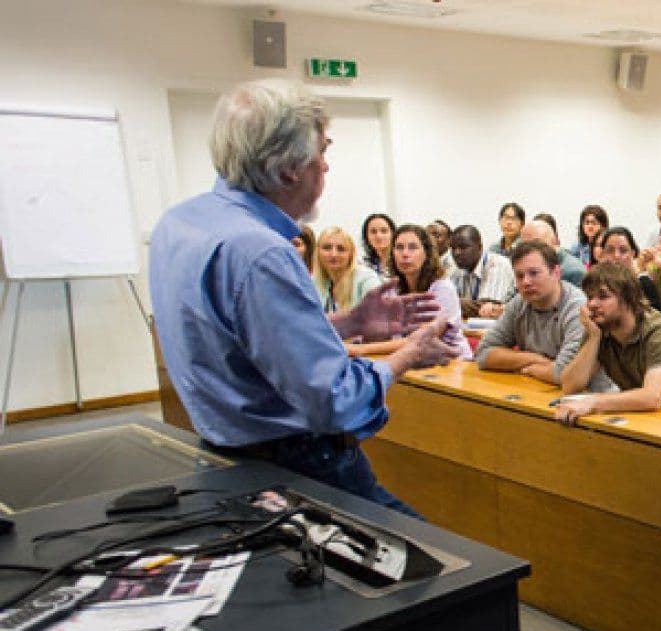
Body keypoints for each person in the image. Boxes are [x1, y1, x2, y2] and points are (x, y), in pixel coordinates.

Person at [149, 79, 455, 519]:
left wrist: (347, 323)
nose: (326, 167)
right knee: (449, 569)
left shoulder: (179, 224)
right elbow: (336, 401)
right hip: (299, 463)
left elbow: (240, 339)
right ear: (291, 167)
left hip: (225, 455)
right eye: (322, 151)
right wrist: (409, 354)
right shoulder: (261, 253)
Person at [557, 263, 661, 422]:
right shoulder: (599, 329)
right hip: (650, 418)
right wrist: (593, 338)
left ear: (629, 298)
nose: (592, 304)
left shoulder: (660, 331)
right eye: (590, 297)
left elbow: (652, 397)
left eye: (603, 296)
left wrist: (593, 402)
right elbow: (570, 386)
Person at [476, 239, 612, 391]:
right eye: (520, 276)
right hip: (540, 390)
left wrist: (530, 369)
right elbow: (482, 354)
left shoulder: (578, 308)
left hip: (589, 397)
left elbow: (564, 373)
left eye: (534, 273)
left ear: (556, 273)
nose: (526, 282)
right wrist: (533, 359)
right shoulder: (519, 303)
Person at [348, 224, 472, 360]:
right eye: (399, 248)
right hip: (410, 360)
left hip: (452, 363)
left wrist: (362, 348)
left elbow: (422, 340)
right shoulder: (392, 288)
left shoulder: (442, 288)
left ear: (427, 253)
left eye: (413, 247)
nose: (405, 254)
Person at [446, 224, 514, 319]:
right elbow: (443, 303)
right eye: (453, 248)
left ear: (480, 247)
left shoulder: (498, 264)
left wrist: (452, 302)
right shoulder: (456, 270)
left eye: (463, 247)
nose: (456, 253)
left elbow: (487, 309)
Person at [312, 226, 383, 314]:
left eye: (341, 249)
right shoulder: (314, 282)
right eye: (327, 248)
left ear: (351, 254)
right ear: (317, 252)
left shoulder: (366, 279)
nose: (333, 254)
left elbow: (380, 317)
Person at [596, 226, 661, 310]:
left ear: (633, 254)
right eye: (610, 250)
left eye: (623, 251)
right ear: (602, 254)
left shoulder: (644, 284)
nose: (616, 256)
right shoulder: (596, 283)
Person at [518, 218, 588, 286]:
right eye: (525, 246)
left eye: (537, 244)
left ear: (554, 241)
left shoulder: (574, 272)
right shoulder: (523, 268)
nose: (530, 251)